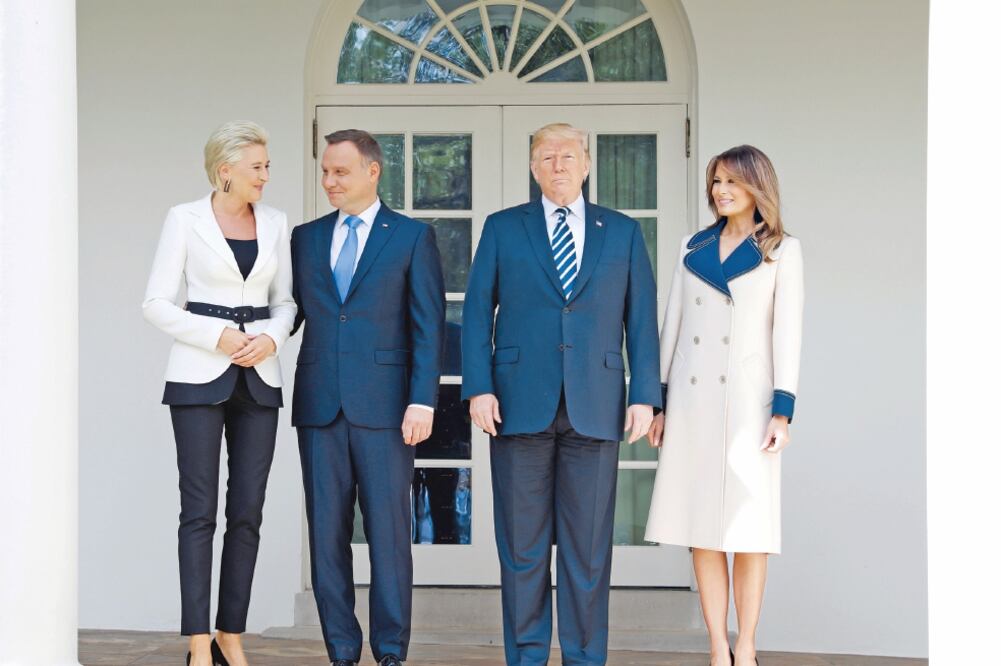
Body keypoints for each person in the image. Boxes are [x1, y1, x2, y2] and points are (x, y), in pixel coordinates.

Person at [462, 122, 661, 665]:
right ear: (533, 167)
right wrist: (478, 386)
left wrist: (645, 394)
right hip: (517, 405)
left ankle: (583, 657)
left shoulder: (621, 232)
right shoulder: (503, 228)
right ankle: (526, 656)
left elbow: (641, 319)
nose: (557, 164)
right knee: (523, 550)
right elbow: (477, 312)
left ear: (587, 163)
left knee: (588, 552)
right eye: (546, 156)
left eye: (567, 155)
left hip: (597, 407)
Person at [142, 121, 296, 666]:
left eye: (268, 165)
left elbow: (287, 302)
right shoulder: (183, 219)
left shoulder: (276, 223)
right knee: (199, 511)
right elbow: (156, 302)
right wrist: (219, 336)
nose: (265, 175)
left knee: (248, 510)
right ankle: (197, 641)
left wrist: (271, 339)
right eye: (257, 166)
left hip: (261, 378)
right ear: (223, 169)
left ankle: (231, 633)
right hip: (197, 375)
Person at [644, 145, 804, 666]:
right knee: (701, 530)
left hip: (749, 406)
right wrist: (659, 401)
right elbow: (673, 327)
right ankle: (717, 646)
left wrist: (783, 410)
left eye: (733, 181)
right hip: (692, 402)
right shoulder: (693, 246)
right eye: (716, 181)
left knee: (750, 531)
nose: (721, 190)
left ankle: (746, 645)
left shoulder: (783, 251)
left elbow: (787, 333)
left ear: (758, 187)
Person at [290, 129, 445, 666]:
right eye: (326, 172)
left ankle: (390, 652)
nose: (329, 181)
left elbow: (428, 327)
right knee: (326, 538)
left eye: (341, 172)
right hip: (319, 407)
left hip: (387, 409)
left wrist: (422, 400)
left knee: (388, 538)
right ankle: (341, 650)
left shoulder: (410, 237)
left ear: (372, 172)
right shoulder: (304, 238)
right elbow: (290, 312)